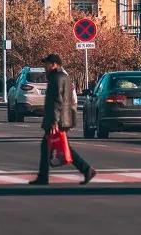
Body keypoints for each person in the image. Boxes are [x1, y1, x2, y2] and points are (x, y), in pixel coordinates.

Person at [29, 53, 96, 186]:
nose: (45, 67)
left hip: (57, 120)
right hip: (61, 118)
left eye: (46, 64)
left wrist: (54, 120)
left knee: (53, 147)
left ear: (54, 64)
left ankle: (85, 169)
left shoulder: (56, 78)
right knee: (56, 147)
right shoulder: (62, 76)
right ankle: (44, 176)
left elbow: (57, 101)